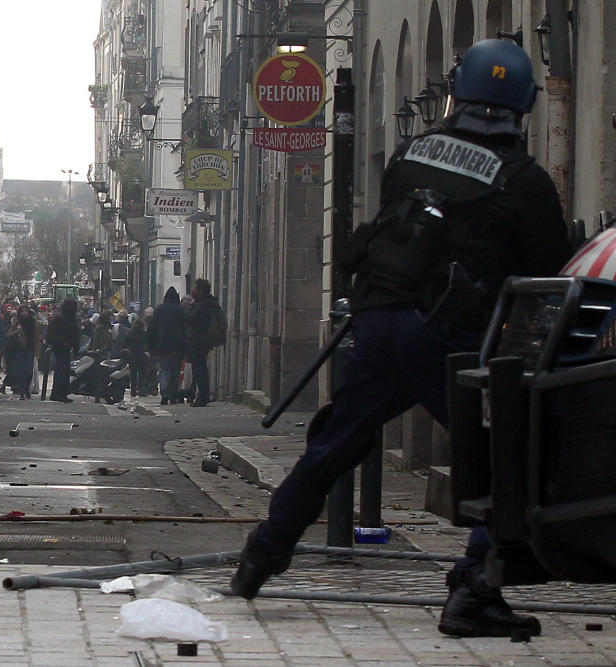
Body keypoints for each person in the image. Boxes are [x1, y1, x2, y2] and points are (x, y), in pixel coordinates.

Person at [231, 39, 573, 639]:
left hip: (377, 319)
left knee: (336, 442)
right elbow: (545, 277)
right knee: (508, 458)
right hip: (443, 335)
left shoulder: (412, 156)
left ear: (456, 96)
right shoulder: (524, 180)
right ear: (521, 109)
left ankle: (262, 555)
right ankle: (474, 592)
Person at [147, 286, 186, 405]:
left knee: (164, 369)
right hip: (177, 346)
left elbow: (153, 327)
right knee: (175, 370)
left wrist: (151, 345)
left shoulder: (160, 309)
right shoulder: (180, 311)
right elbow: (184, 330)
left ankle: (164, 391)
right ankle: (172, 394)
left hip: (162, 345)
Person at [185, 278, 218, 407]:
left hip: (199, 341)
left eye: (194, 288)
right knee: (200, 368)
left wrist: (191, 306)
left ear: (200, 291)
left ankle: (202, 396)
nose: (192, 290)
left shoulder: (201, 305)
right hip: (201, 340)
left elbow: (190, 319)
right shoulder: (205, 303)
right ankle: (202, 395)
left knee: (199, 369)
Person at [45, 299, 80, 403]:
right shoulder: (59, 319)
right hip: (60, 348)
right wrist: (62, 343)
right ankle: (58, 393)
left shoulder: (71, 319)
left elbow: (75, 334)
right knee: (61, 371)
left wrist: (75, 347)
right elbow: (52, 334)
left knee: (64, 371)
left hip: (66, 348)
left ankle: (61, 393)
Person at [6, 304, 41, 400]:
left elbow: (38, 338)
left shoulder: (35, 323)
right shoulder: (17, 322)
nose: (24, 313)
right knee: (20, 371)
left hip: (30, 349)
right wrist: (16, 332)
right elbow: (8, 334)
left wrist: (38, 351)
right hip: (19, 349)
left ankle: (26, 389)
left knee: (29, 371)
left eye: (25, 311)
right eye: (22, 311)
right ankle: (22, 391)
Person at [126, 318, 148, 397]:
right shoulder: (144, 333)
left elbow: (126, 342)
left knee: (133, 374)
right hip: (142, 355)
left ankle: (133, 391)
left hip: (132, 355)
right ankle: (141, 389)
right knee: (142, 373)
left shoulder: (130, 333)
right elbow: (147, 343)